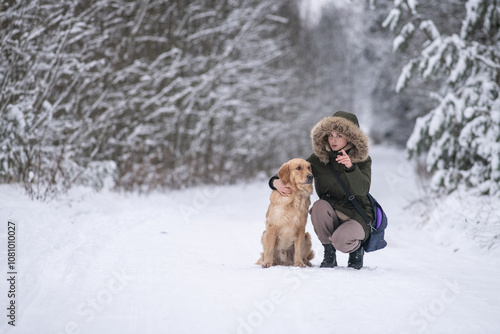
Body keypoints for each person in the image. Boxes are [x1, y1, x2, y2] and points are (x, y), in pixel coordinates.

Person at [268, 111, 373, 269]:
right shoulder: (319, 159)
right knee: (318, 206)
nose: (333, 140)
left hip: (356, 214)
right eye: (330, 135)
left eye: (339, 135)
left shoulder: (362, 160)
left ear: (351, 137)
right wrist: (275, 182)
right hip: (330, 211)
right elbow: (293, 170)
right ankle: (329, 253)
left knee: (341, 240)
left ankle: (356, 250)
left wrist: (351, 167)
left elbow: (362, 190)